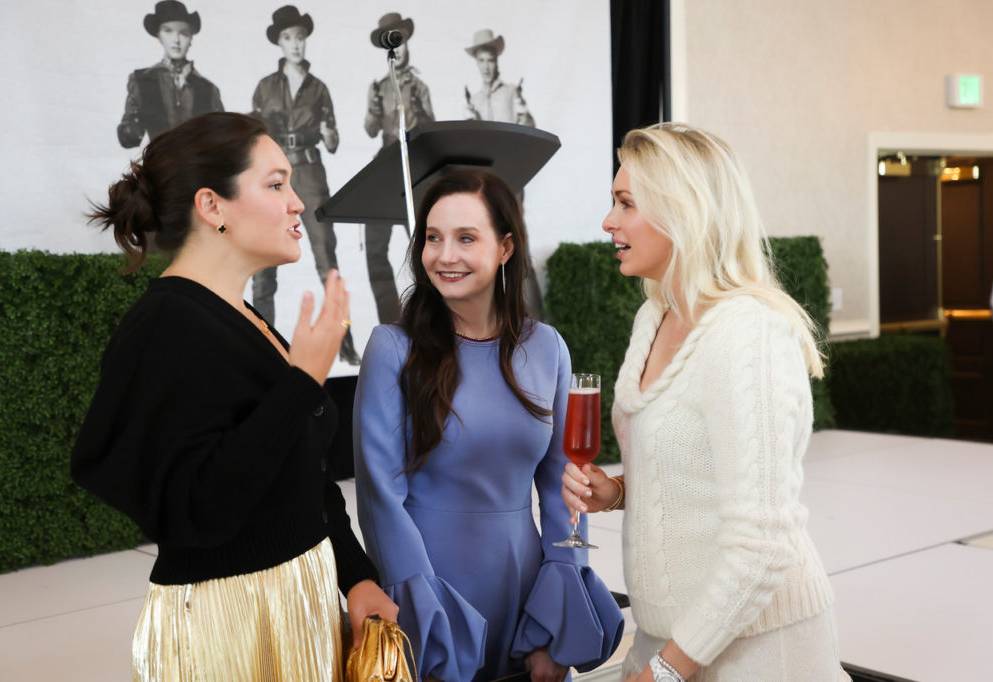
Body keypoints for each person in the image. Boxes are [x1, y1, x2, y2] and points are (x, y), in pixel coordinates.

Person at [73, 112, 397, 681]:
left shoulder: (243, 318)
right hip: (233, 626)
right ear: (212, 206)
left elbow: (301, 479)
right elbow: (199, 508)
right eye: (275, 185)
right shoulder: (165, 327)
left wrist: (355, 575)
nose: (297, 203)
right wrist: (301, 383)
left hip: (298, 603)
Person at [562, 124, 850, 682]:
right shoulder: (655, 316)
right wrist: (617, 492)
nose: (608, 221)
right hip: (669, 639)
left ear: (683, 211)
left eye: (625, 203)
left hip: (759, 651)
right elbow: (690, 471)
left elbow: (761, 545)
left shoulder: (750, 333)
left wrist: (668, 671)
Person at [353, 169, 624, 682]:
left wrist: (557, 613)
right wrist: (422, 616)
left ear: (505, 248)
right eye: (433, 238)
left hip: (525, 589)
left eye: (465, 238)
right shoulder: (391, 349)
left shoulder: (548, 346)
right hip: (431, 585)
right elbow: (379, 499)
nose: (444, 255)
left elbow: (567, 484)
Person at [250, 5, 360, 365]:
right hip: (273, 178)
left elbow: (334, 141)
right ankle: (261, 345)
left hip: (311, 174)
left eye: (299, 37)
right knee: (264, 262)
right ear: (279, 43)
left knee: (327, 257)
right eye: (288, 38)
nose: (295, 44)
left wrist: (329, 134)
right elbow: (253, 140)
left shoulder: (319, 89)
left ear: (305, 41)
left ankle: (344, 343)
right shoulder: (265, 87)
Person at [463, 28, 545, 319]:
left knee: (516, 250)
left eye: (490, 60)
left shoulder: (511, 93)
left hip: (510, 183)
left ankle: (534, 324)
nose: (486, 66)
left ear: (497, 61)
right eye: (481, 61)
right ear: (477, 63)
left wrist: (523, 111)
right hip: (481, 190)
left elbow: (531, 130)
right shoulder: (474, 97)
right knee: (488, 252)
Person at [362, 12, 435, 325]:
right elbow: (369, 128)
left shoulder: (418, 85)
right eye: (392, 39)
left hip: (413, 163)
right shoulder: (379, 86)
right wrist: (374, 107)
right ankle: (392, 321)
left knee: (425, 245)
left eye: (401, 38)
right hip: (386, 162)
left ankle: (433, 315)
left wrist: (416, 112)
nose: (399, 45)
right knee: (375, 249)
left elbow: (431, 127)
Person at [117, 1, 224, 149]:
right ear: (159, 36)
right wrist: (130, 129)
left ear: (191, 39)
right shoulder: (142, 81)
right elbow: (129, 139)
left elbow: (222, 142)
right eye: (168, 31)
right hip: (159, 168)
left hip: (198, 170)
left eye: (184, 33)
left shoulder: (208, 89)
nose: (176, 40)